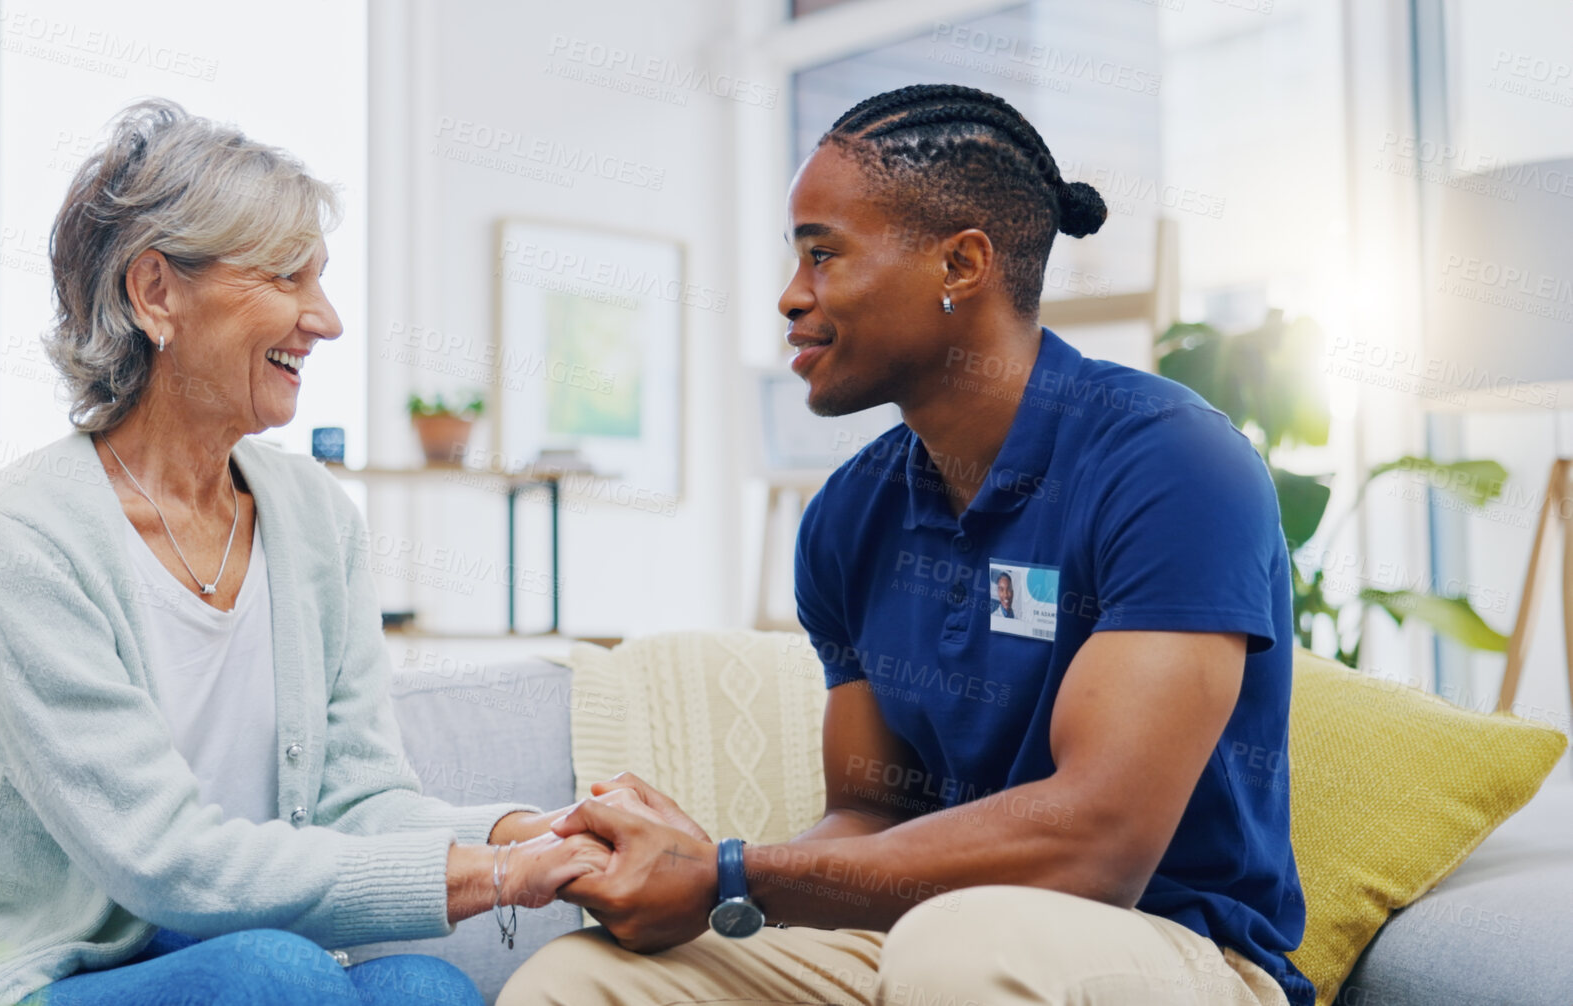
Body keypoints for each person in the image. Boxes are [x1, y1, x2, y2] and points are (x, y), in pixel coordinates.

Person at [504, 83, 1311, 1006]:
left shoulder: (1172, 462)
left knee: (959, 950)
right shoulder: (849, 517)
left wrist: (732, 871)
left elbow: (1101, 842)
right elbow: (869, 811)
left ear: (960, 265)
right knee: (584, 979)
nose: (789, 295)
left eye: (823, 254)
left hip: (1175, 950)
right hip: (928, 938)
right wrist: (692, 875)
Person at [0, 99, 612, 1006]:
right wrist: (491, 879)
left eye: (318, 281)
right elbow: (162, 859)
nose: (322, 320)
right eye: (286, 277)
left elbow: (361, 802)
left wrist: (541, 834)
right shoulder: (15, 541)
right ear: (155, 291)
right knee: (271, 973)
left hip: (247, 956)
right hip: (52, 971)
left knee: (420, 989)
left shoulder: (316, 517)